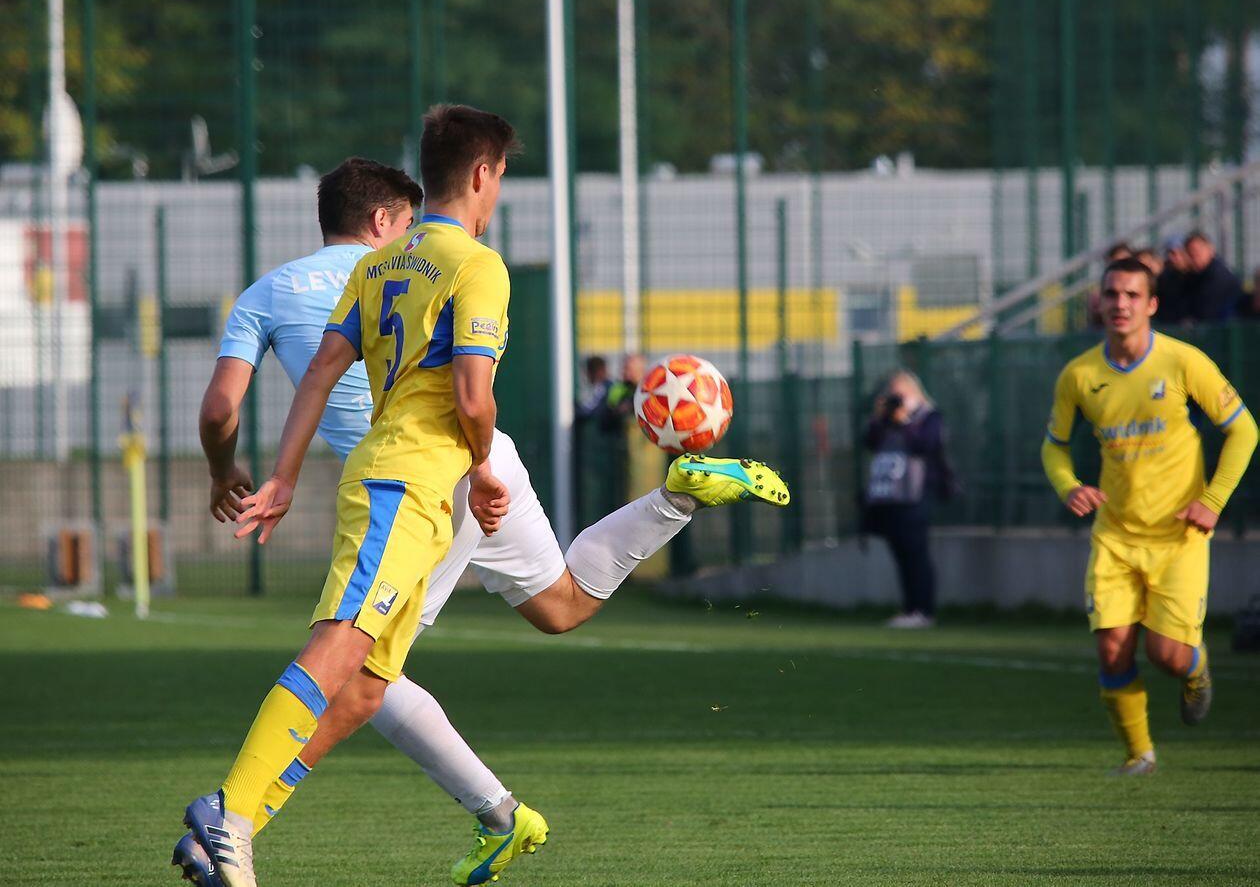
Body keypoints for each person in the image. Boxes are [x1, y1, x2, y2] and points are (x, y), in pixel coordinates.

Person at [179, 114, 790, 886]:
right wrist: (482, 466)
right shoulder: (477, 265)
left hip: (417, 478)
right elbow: (474, 395)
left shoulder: (374, 266)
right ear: (481, 175)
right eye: (501, 175)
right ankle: (234, 816)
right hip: (432, 476)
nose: (499, 190)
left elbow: (317, 374)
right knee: (371, 652)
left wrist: (287, 474)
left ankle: (238, 820)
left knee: (362, 664)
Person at [1041, 257, 1257, 776]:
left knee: (1166, 655)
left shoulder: (1183, 362)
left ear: (1153, 304)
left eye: (1132, 295)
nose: (1121, 303)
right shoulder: (1079, 375)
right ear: (1099, 302)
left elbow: (1244, 430)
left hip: (1179, 536)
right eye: (1112, 293)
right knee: (1112, 650)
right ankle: (1140, 755)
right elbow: (1054, 446)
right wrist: (1069, 486)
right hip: (1115, 536)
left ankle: (1196, 667)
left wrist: (1213, 500)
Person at [860, 370, 955, 629]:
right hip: (891, 495)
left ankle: (923, 610)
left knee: (916, 552)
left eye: (899, 394)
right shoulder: (886, 420)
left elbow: (925, 445)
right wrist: (880, 417)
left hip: (916, 494)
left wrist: (903, 422)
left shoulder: (929, 416)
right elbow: (869, 442)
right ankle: (910, 608)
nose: (896, 399)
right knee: (900, 552)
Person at [1184, 230, 1243, 322]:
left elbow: (1207, 313)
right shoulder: (1193, 276)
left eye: (1197, 251)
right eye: (1190, 253)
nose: (1194, 256)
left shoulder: (1219, 276)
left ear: (1210, 249)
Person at [1153, 235, 1190, 326]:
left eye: (1175, 253)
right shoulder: (1164, 278)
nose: (1171, 258)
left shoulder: (1197, 277)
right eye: (1169, 253)